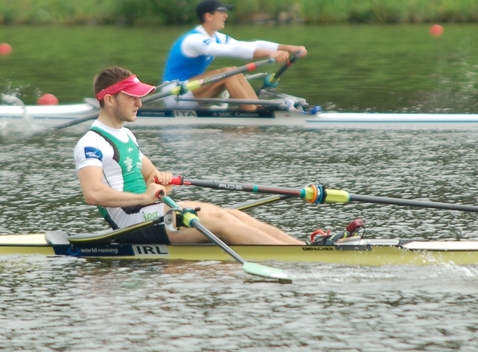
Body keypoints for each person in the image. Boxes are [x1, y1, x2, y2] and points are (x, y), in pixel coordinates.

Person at [74, 66, 305, 245]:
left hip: (149, 211)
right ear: (110, 99)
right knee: (219, 220)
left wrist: (162, 181)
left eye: (139, 96)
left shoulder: (127, 135)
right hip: (131, 223)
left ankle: (301, 246)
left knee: (230, 214)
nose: (139, 102)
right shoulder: (91, 142)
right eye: (131, 97)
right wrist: (146, 197)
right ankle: (300, 256)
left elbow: (153, 177)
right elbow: (93, 194)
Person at [161, 0, 308, 111]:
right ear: (209, 16)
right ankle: (252, 112)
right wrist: (270, 53)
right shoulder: (193, 39)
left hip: (191, 90)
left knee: (233, 71)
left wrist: (289, 48)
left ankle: (255, 108)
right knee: (228, 72)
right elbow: (232, 50)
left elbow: (251, 45)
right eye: (222, 12)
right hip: (176, 94)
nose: (225, 16)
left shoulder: (217, 37)